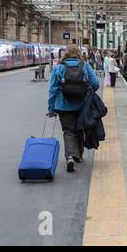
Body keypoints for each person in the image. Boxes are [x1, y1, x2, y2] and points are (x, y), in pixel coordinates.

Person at [47, 44, 100, 172]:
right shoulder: (86, 66)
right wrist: (87, 93)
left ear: (64, 54)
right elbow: (96, 84)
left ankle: (70, 156)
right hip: (83, 105)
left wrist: (51, 110)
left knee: (68, 131)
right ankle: (79, 156)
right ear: (79, 54)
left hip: (63, 106)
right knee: (80, 129)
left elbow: (53, 90)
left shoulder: (59, 68)